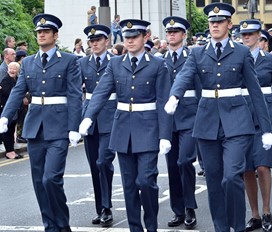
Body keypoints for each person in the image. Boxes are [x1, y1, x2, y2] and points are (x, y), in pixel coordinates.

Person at [164, 3, 272, 232]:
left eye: (220, 21)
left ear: (228, 24)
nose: (214, 25)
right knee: (214, 181)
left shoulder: (241, 52)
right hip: (207, 122)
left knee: (232, 176)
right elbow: (185, 75)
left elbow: (255, 91)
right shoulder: (197, 52)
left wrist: (266, 129)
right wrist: (175, 95)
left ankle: (237, 226)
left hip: (237, 122)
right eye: (212, 22)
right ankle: (221, 227)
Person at [79, 19, 172, 232]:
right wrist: (88, 116)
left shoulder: (157, 64)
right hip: (122, 130)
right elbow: (102, 92)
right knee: (129, 185)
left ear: (145, 37)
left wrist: (165, 135)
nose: (130, 41)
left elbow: (162, 101)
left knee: (146, 181)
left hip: (148, 130)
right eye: (127, 37)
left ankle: (151, 226)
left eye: (134, 37)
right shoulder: (115, 63)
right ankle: (134, 229)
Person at [0, 13, 82, 232]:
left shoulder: (69, 60)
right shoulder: (28, 62)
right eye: (39, 32)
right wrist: (5, 116)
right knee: (39, 181)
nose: (42, 35)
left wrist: (74, 127)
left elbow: (74, 95)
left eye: (46, 32)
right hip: (35, 128)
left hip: (59, 127)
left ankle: (62, 225)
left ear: (55, 35)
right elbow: (18, 91)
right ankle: (50, 227)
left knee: (51, 179)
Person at [240, 19, 272, 232]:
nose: (246, 37)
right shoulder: (234, 58)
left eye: (251, 34)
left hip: (267, 116)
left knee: (263, 166)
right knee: (247, 168)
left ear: (260, 37)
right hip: (242, 115)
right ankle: (254, 215)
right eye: (243, 34)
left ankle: (267, 210)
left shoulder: (271, 60)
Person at [162, 16, 200, 229]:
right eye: (169, 32)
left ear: (184, 35)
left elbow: (200, 89)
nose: (171, 35)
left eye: (175, 32)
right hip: (169, 121)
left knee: (185, 161)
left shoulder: (192, 56)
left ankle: (190, 207)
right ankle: (178, 210)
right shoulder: (159, 60)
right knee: (172, 166)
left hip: (190, 117)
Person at [79, 24, 116, 227]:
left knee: (103, 161)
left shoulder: (116, 61)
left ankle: (107, 207)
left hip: (110, 117)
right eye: (91, 41)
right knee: (94, 166)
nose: (94, 44)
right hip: (90, 120)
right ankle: (100, 208)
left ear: (106, 41)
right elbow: (77, 91)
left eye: (98, 40)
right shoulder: (83, 63)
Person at [0, 62, 23, 159]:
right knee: (8, 131)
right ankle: (9, 151)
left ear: (18, 70)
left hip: (16, 110)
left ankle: (12, 150)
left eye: (14, 69)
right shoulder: (5, 80)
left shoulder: (18, 79)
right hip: (6, 109)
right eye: (10, 68)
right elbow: (10, 94)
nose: (12, 71)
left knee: (12, 129)